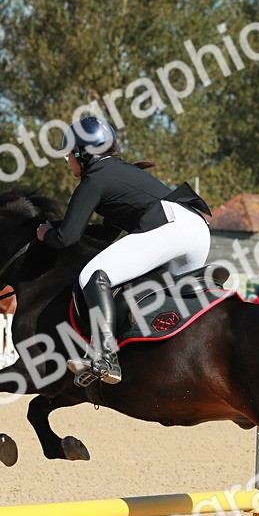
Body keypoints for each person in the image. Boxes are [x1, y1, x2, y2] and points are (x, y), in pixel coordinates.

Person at [36, 116, 211, 384]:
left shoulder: (94, 180)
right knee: (152, 294)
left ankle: (105, 357)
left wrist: (46, 233)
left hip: (170, 228)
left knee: (94, 275)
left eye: (69, 154)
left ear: (83, 154)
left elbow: (66, 238)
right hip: (196, 230)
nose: (67, 160)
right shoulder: (117, 172)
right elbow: (107, 232)